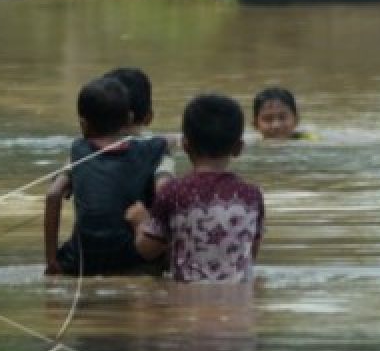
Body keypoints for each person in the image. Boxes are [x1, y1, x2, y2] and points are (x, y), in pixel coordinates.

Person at [126, 94, 265, 283]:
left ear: (185, 145)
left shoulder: (173, 192)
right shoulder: (252, 195)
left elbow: (148, 250)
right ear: (238, 148)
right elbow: (251, 253)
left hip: (187, 302)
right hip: (239, 302)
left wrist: (140, 222)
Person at [43, 77, 170, 277]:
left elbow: (53, 194)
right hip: (132, 257)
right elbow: (165, 194)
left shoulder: (79, 150)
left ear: (83, 124)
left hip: (82, 260)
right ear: (129, 118)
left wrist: (51, 260)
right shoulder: (152, 149)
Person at [251, 86, 315, 141]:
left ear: (296, 120)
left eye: (282, 117)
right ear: (255, 124)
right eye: (268, 119)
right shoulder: (249, 145)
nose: (276, 125)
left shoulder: (311, 142)